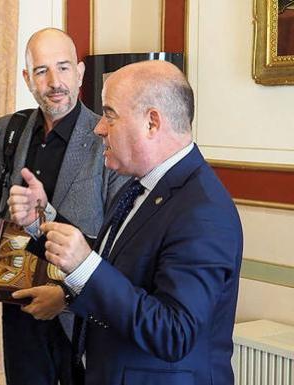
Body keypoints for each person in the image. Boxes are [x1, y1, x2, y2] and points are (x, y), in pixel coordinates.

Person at [32, 60, 243, 384]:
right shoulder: (137, 187)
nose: (99, 127)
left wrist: (85, 266)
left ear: (152, 123)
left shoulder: (203, 210)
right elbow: (122, 274)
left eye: (110, 114)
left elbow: (174, 332)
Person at [0, 28, 127, 385]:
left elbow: (121, 233)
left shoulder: (108, 137)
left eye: (64, 68)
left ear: (81, 73)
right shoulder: (8, 131)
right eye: (41, 71)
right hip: (19, 302)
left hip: (80, 311)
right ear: (27, 78)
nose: (55, 82)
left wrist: (67, 296)